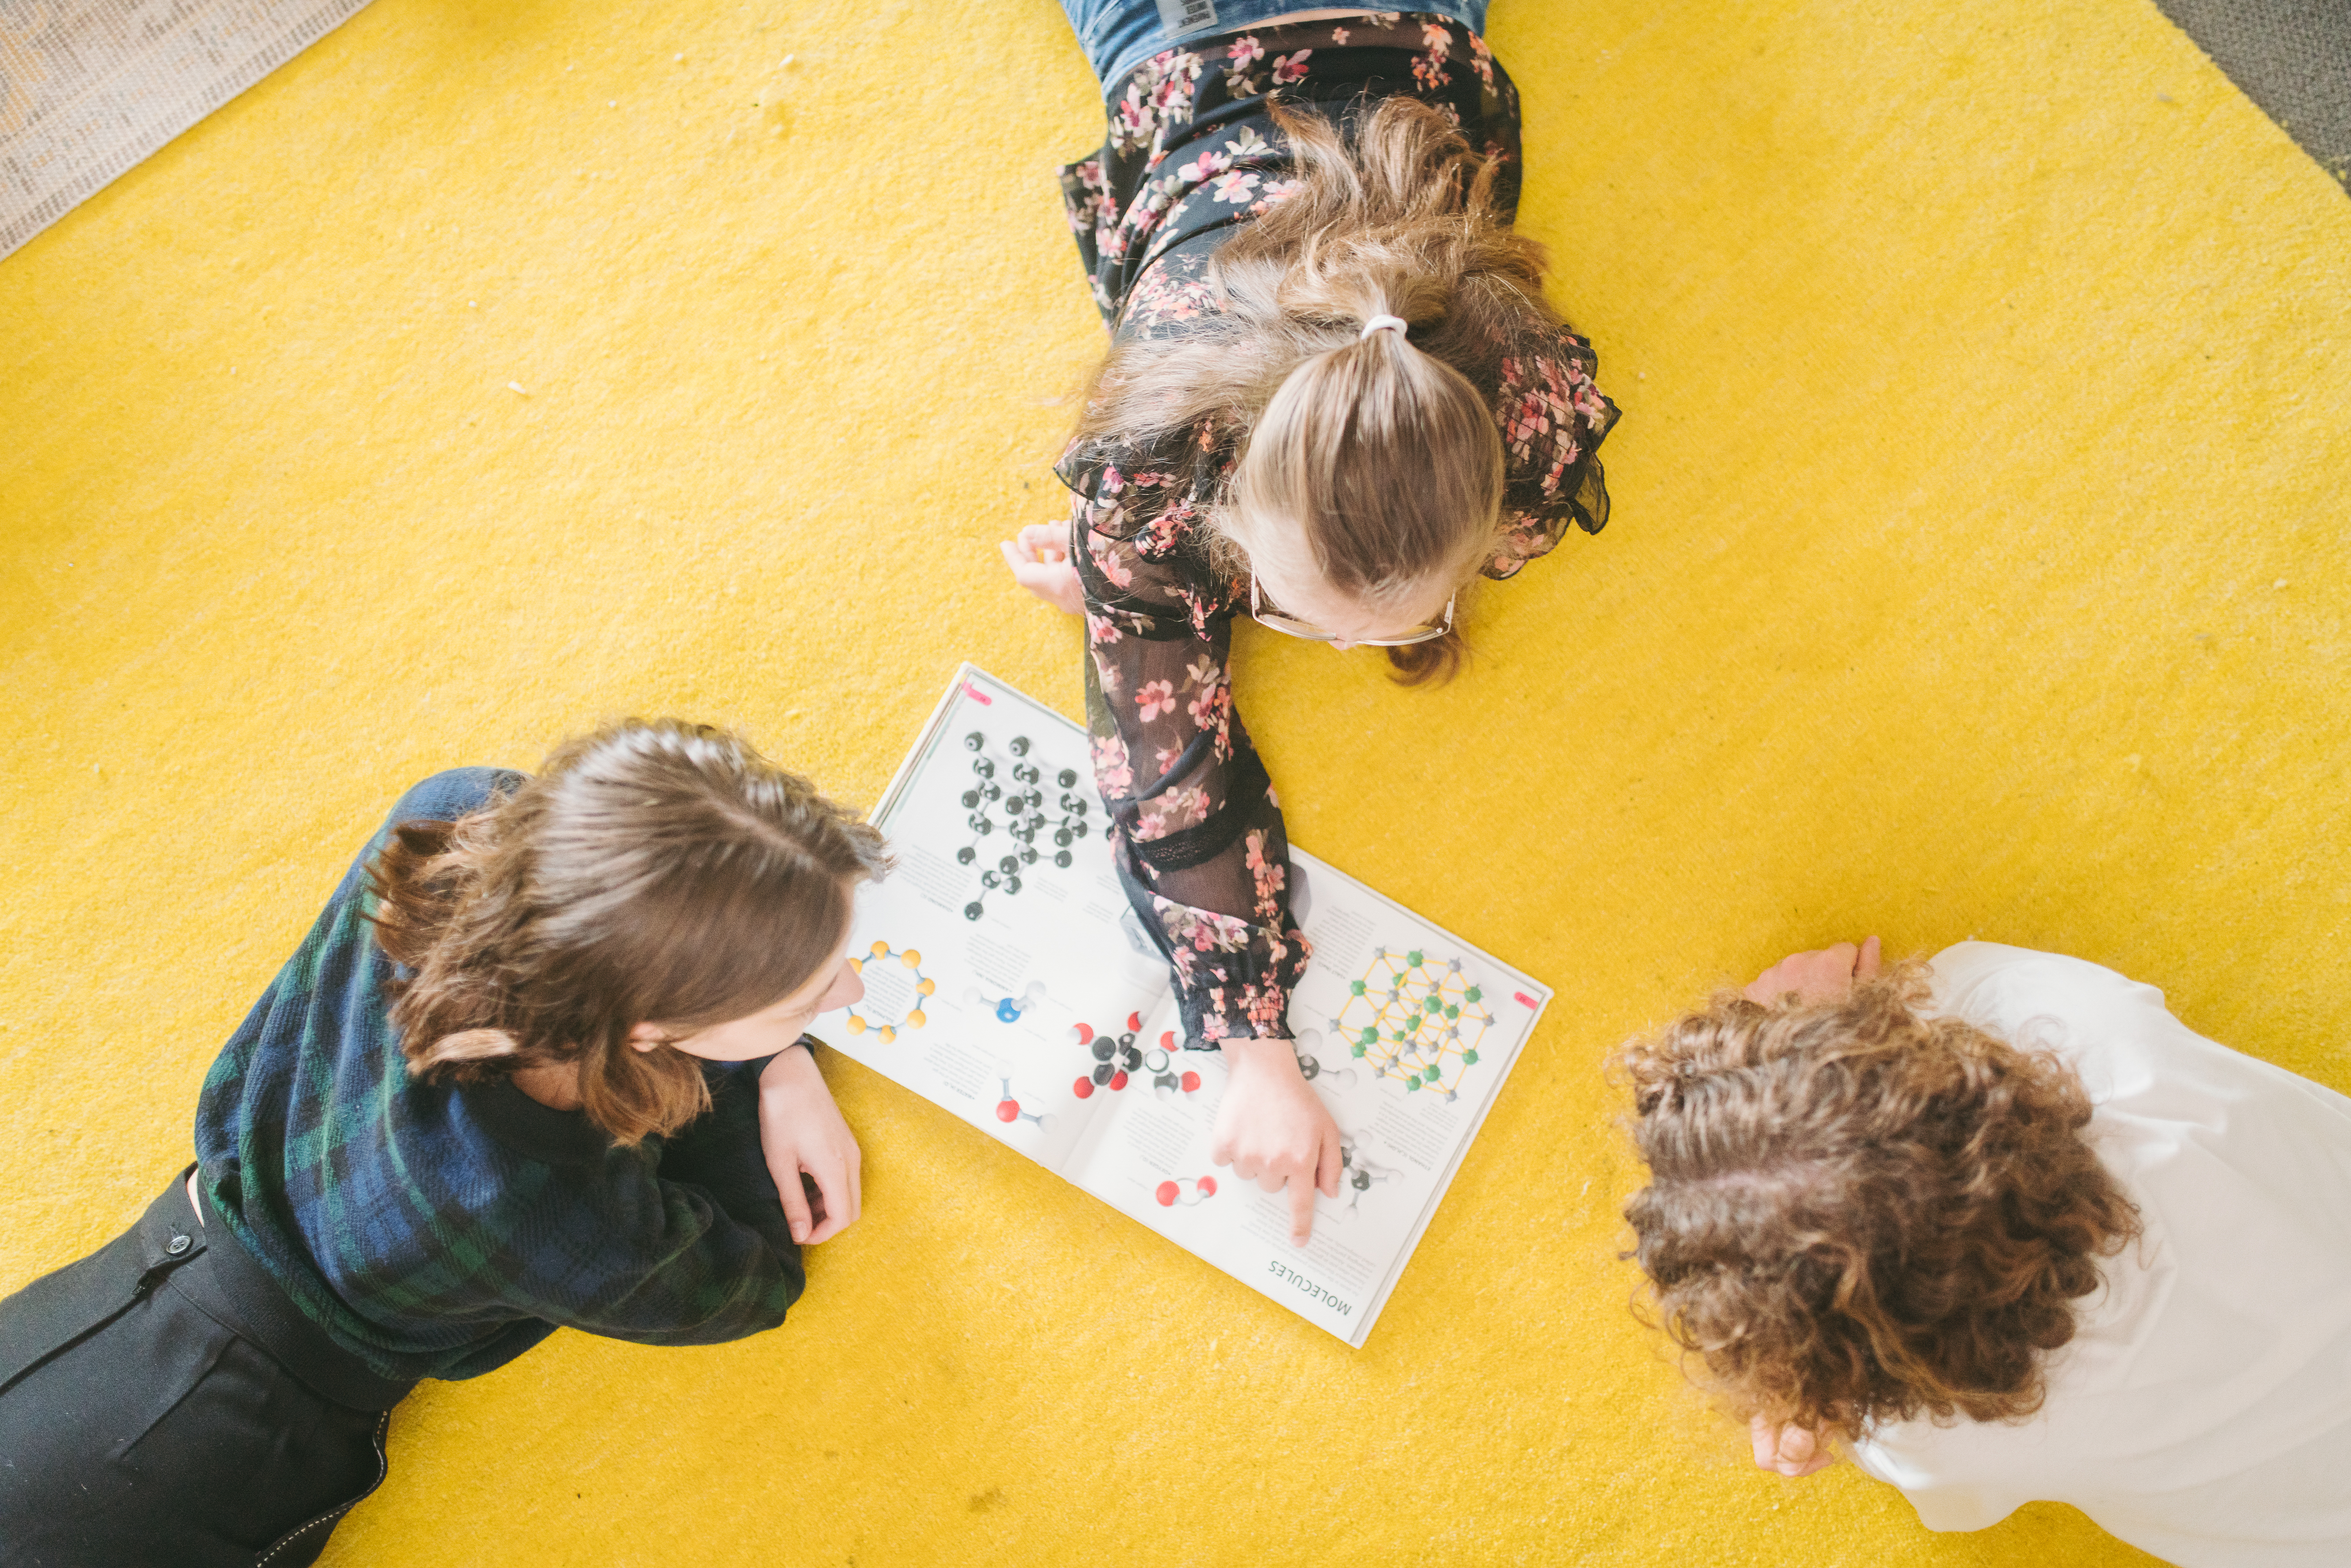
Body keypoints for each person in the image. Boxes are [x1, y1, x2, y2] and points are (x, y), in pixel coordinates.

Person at [1002, 4, 1619, 1243]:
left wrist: (1149, 607)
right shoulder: (1154, 473)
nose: (1336, 649)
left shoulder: (1529, 423)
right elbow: (1166, 778)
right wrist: (1250, 1050)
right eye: (1287, 612)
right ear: (1219, 516)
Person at [0, 721, 887, 1567]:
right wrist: (771, 1068)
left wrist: (774, 1047)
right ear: (652, 1030)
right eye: (807, 995)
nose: (850, 992)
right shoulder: (541, 1207)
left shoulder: (455, 818)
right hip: (199, 1450)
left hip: (117, 1307)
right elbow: (753, 1276)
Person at [1618, 937, 2351, 1567]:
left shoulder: (1957, 1437)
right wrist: (1805, 1019)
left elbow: (1912, 1469)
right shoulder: (2090, 1033)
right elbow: (1957, 987)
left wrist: (1814, 1414)